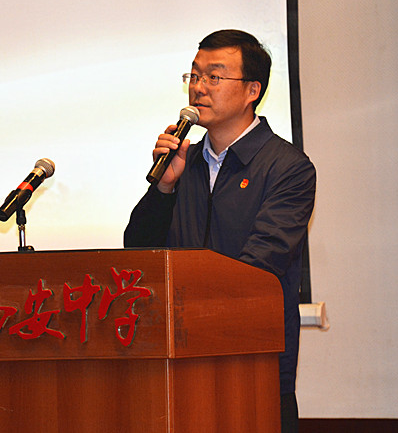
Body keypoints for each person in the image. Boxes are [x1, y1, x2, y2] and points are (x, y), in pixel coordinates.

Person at [124, 29, 316, 433]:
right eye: (194, 76)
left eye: (214, 76)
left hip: (253, 362)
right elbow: (138, 252)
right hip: (180, 363)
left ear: (252, 91)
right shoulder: (184, 162)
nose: (199, 88)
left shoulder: (288, 168)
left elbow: (259, 266)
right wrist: (164, 188)